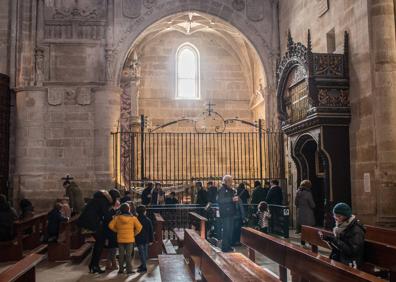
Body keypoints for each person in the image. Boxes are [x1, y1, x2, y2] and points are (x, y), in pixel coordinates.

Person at [77, 189, 120, 274]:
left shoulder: (101, 199)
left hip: (91, 222)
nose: (117, 200)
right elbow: (106, 216)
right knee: (100, 242)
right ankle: (94, 266)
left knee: (100, 242)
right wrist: (115, 209)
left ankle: (93, 265)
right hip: (90, 223)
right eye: (117, 198)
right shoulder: (103, 200)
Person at [319, 203, 365, 268]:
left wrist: (334, 240)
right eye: (335, 215)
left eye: (339, 216)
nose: (336, 218)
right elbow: (338, 248)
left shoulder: (356, 230)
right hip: (341, 258)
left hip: (351, 262)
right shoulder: (340, 227)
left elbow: (351, 252)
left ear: (346, 216)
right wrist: (328, 240)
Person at [109, 203, 142, 275]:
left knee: (121, 255)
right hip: (130, 239)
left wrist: (117, 231)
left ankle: (121, 270)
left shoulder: (117, 218)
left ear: (120, 210)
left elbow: (110, 225)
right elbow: (139, 227)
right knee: (128, 255)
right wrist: (134, 234)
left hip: (120, 239)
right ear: (129, 209)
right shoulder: (133, 218)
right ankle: (129, 270)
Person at [218, 175, 238, 252]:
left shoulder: (230, 189)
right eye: (230, 181)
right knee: (226, 230)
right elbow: (220, 200)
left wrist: (234, 199)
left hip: (230, 213)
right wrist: (231, 199)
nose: (231, 182)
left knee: (230, 230)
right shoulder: (222, 189)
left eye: (232, 181)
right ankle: (225, 247)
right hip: (225, 213)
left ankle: (228, 246)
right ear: (226, 181)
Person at [103, 197, 120, 271]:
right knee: (112, 250)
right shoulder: (111, 212)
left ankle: (111, 264)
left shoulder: (112, 212)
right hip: (111, 233)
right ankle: (112, 265)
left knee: (112, 250)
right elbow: (110, 223)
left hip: (111, 233)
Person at [135, 205, 154, 273]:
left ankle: (144, 267)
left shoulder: (136, 219)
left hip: (138, 238)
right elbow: (151, 230)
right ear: (144, 212)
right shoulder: (148, 220)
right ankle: (143, 265)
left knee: (141, 253)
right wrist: (151, 240)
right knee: (144, 253)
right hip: (146, 239)